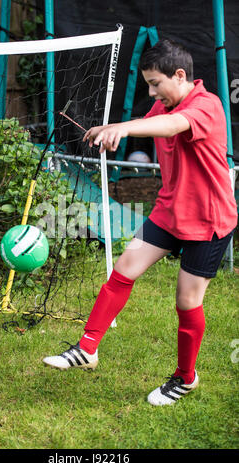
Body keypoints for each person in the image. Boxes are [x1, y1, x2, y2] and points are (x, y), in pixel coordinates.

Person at [43, 39, 238, 406]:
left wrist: (126, 128)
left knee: (186, 301)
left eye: (154, 83)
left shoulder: (206, 106)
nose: (151, 92)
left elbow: (170, 126)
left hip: (209, 218)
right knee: (122, 271)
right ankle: (87, 349)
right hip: (169, 210)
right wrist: (112, 130)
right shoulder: (164, 102)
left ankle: (186, 377)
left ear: (179, 76)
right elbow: (148, 123)